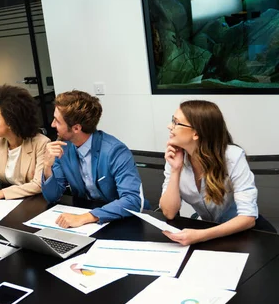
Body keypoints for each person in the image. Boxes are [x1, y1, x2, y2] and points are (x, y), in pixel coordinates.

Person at [159, 100, 259, 245]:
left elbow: (248, 218)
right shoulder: (176, 157)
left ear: (196, 133)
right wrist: (175, 170)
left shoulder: (233, 157)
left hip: (240, 234)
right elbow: (169, 212)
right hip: (207, 230)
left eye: (176, 122)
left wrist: (201, 235)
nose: (170, 126)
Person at [42, 90, 146, 228]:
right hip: (86, 223)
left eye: (57, 121)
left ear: (76, 128)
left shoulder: (115, 151)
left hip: (122, 221)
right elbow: (52, 196)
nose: (52, 125)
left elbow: (133, 200)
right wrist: (47, 167)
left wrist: (86, 217)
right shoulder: (64, 147)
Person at [0, 85, 50, 204]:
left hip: (35, 203)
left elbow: (38, 184)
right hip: (9, 204)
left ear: (11, 123)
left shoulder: (41, 144)